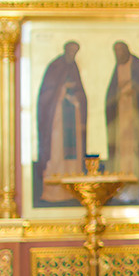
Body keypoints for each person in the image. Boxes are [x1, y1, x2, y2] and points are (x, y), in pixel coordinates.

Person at [35, 40, 87, 204]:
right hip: (57, 117)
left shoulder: (74, 67)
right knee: (57, 152)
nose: (72, 55)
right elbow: (48, 93)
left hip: (72, 115)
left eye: (75, 52)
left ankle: (73, 191)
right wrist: (63, 89)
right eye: (71, 52)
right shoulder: (55, 66)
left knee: (73, 155)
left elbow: (80, 92)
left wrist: (75, 96)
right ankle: (55, 192)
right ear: (65, 50)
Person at [105, 40, 139, 204]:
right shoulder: (117, 69)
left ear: (127, 51)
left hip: (138, 119)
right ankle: (122, 191)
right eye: (116, 52)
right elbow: (110, 97)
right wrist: (119, 94)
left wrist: (135, 88)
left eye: (120, 51)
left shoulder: (138, 66)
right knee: (122, 154)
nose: (118, 54)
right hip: (121, 120)